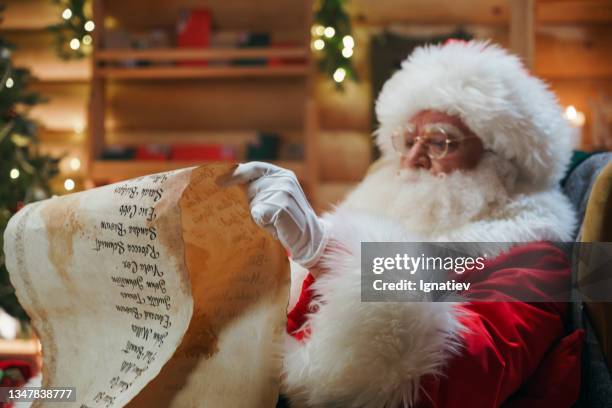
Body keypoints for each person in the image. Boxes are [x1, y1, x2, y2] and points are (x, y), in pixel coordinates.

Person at [226, 40, 584, 407]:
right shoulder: (382, 213)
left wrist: (332, 254)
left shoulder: (536, 258)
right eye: (408, 140)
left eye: (441, 142)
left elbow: (454, 376)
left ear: (502, 161)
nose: (413, 159)